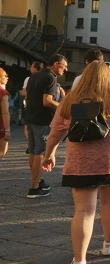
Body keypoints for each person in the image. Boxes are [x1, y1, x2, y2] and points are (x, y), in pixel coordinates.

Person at [42, 61, 110, 264]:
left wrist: (49, 154)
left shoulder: (69, 100)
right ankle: (108, 243)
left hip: (80, 162)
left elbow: (55, 133)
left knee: (83, 211)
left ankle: (79, 263)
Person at [24, 54, 68, 198]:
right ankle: (34, 188)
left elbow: (27, 96)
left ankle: (37, 180)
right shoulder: (50, 77)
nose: (65, 69)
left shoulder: (34, 76)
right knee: (40, 152)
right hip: (43, 119)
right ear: (56, 64)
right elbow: (47, 101)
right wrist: (62, 107)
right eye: (64, 66)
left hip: (30, 117)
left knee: (33, 151)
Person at [0, 68, 10, 160]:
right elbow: (5, 113)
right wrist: (7, 130)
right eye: (5, 76)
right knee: (2, 151)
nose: (7, 78)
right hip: (1, 125)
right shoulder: (3, 93)